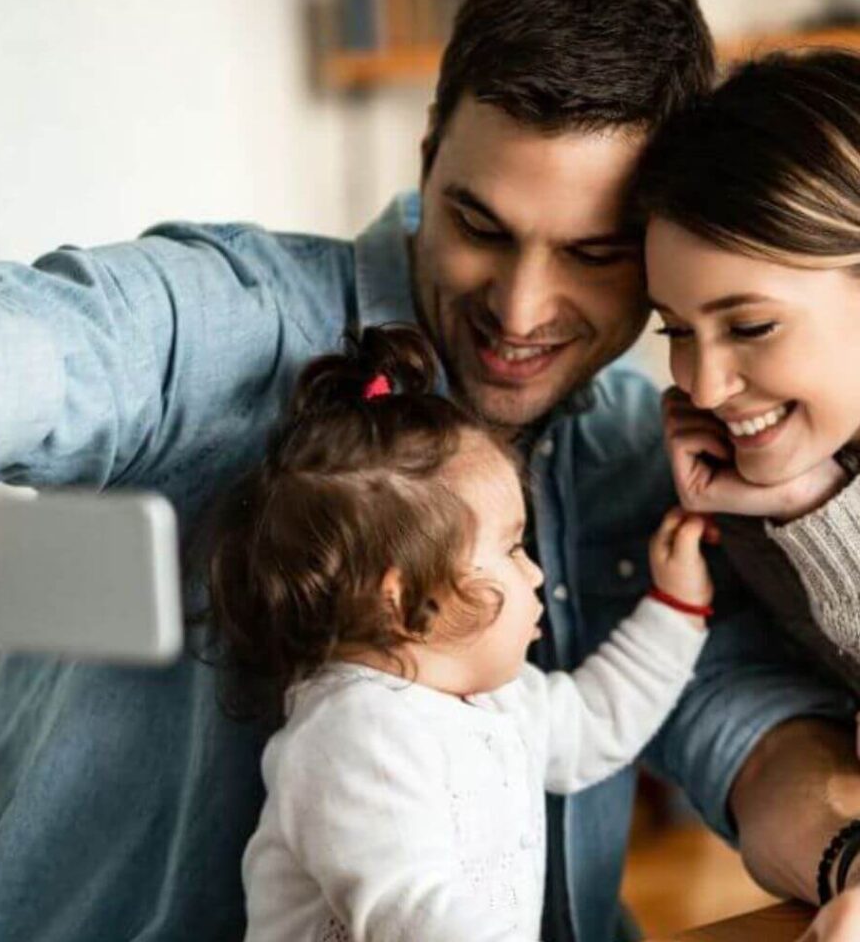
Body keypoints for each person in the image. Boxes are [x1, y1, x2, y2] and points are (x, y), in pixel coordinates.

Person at [0, 0, 860, 942]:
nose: (520, 307)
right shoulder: (237, 321)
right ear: (426, 158)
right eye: (479, 224)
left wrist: (845, 857)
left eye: (593, 254)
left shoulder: (646, 452)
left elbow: (739, 723)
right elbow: (36, 341)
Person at [211, 324, 712, 941]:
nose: (534, 573)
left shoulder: (495, 698)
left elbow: (591, 727)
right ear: (402, 601)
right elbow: (416, 910)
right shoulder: (353, 735)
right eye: (510, 549)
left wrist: (675, 606)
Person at [638, 50, 860, 698]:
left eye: (751, 327)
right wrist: (801, 502)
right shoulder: (751, 491)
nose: (703, 389)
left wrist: (815, 511)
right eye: (676, 330)